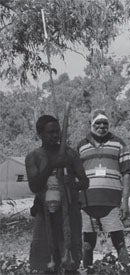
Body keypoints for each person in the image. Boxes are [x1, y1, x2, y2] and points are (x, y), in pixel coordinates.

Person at [25, 115, 89, 274]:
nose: (55, 135)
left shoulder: (70, 154)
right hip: (45, 214)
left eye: (57, 131)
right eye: (50, 132)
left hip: (69, 213)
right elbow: (34, 186)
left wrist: (68, 185)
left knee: (70, 259)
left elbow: (85, 182)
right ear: (40, 134)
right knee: (47, 262)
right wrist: (52, 165)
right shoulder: (33, 157)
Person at [77, 109, 130, 268]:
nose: (101, 126)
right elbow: (76, 176)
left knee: (119, 240)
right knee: (87, 243)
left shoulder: (119, 143)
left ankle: (127, 270)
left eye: (105, 123)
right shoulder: (81, 146)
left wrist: (125, 202)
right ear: (91, 124)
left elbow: (127, 173)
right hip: (87, 203)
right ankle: (87, 270)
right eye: (98, 123)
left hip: (111, 203)